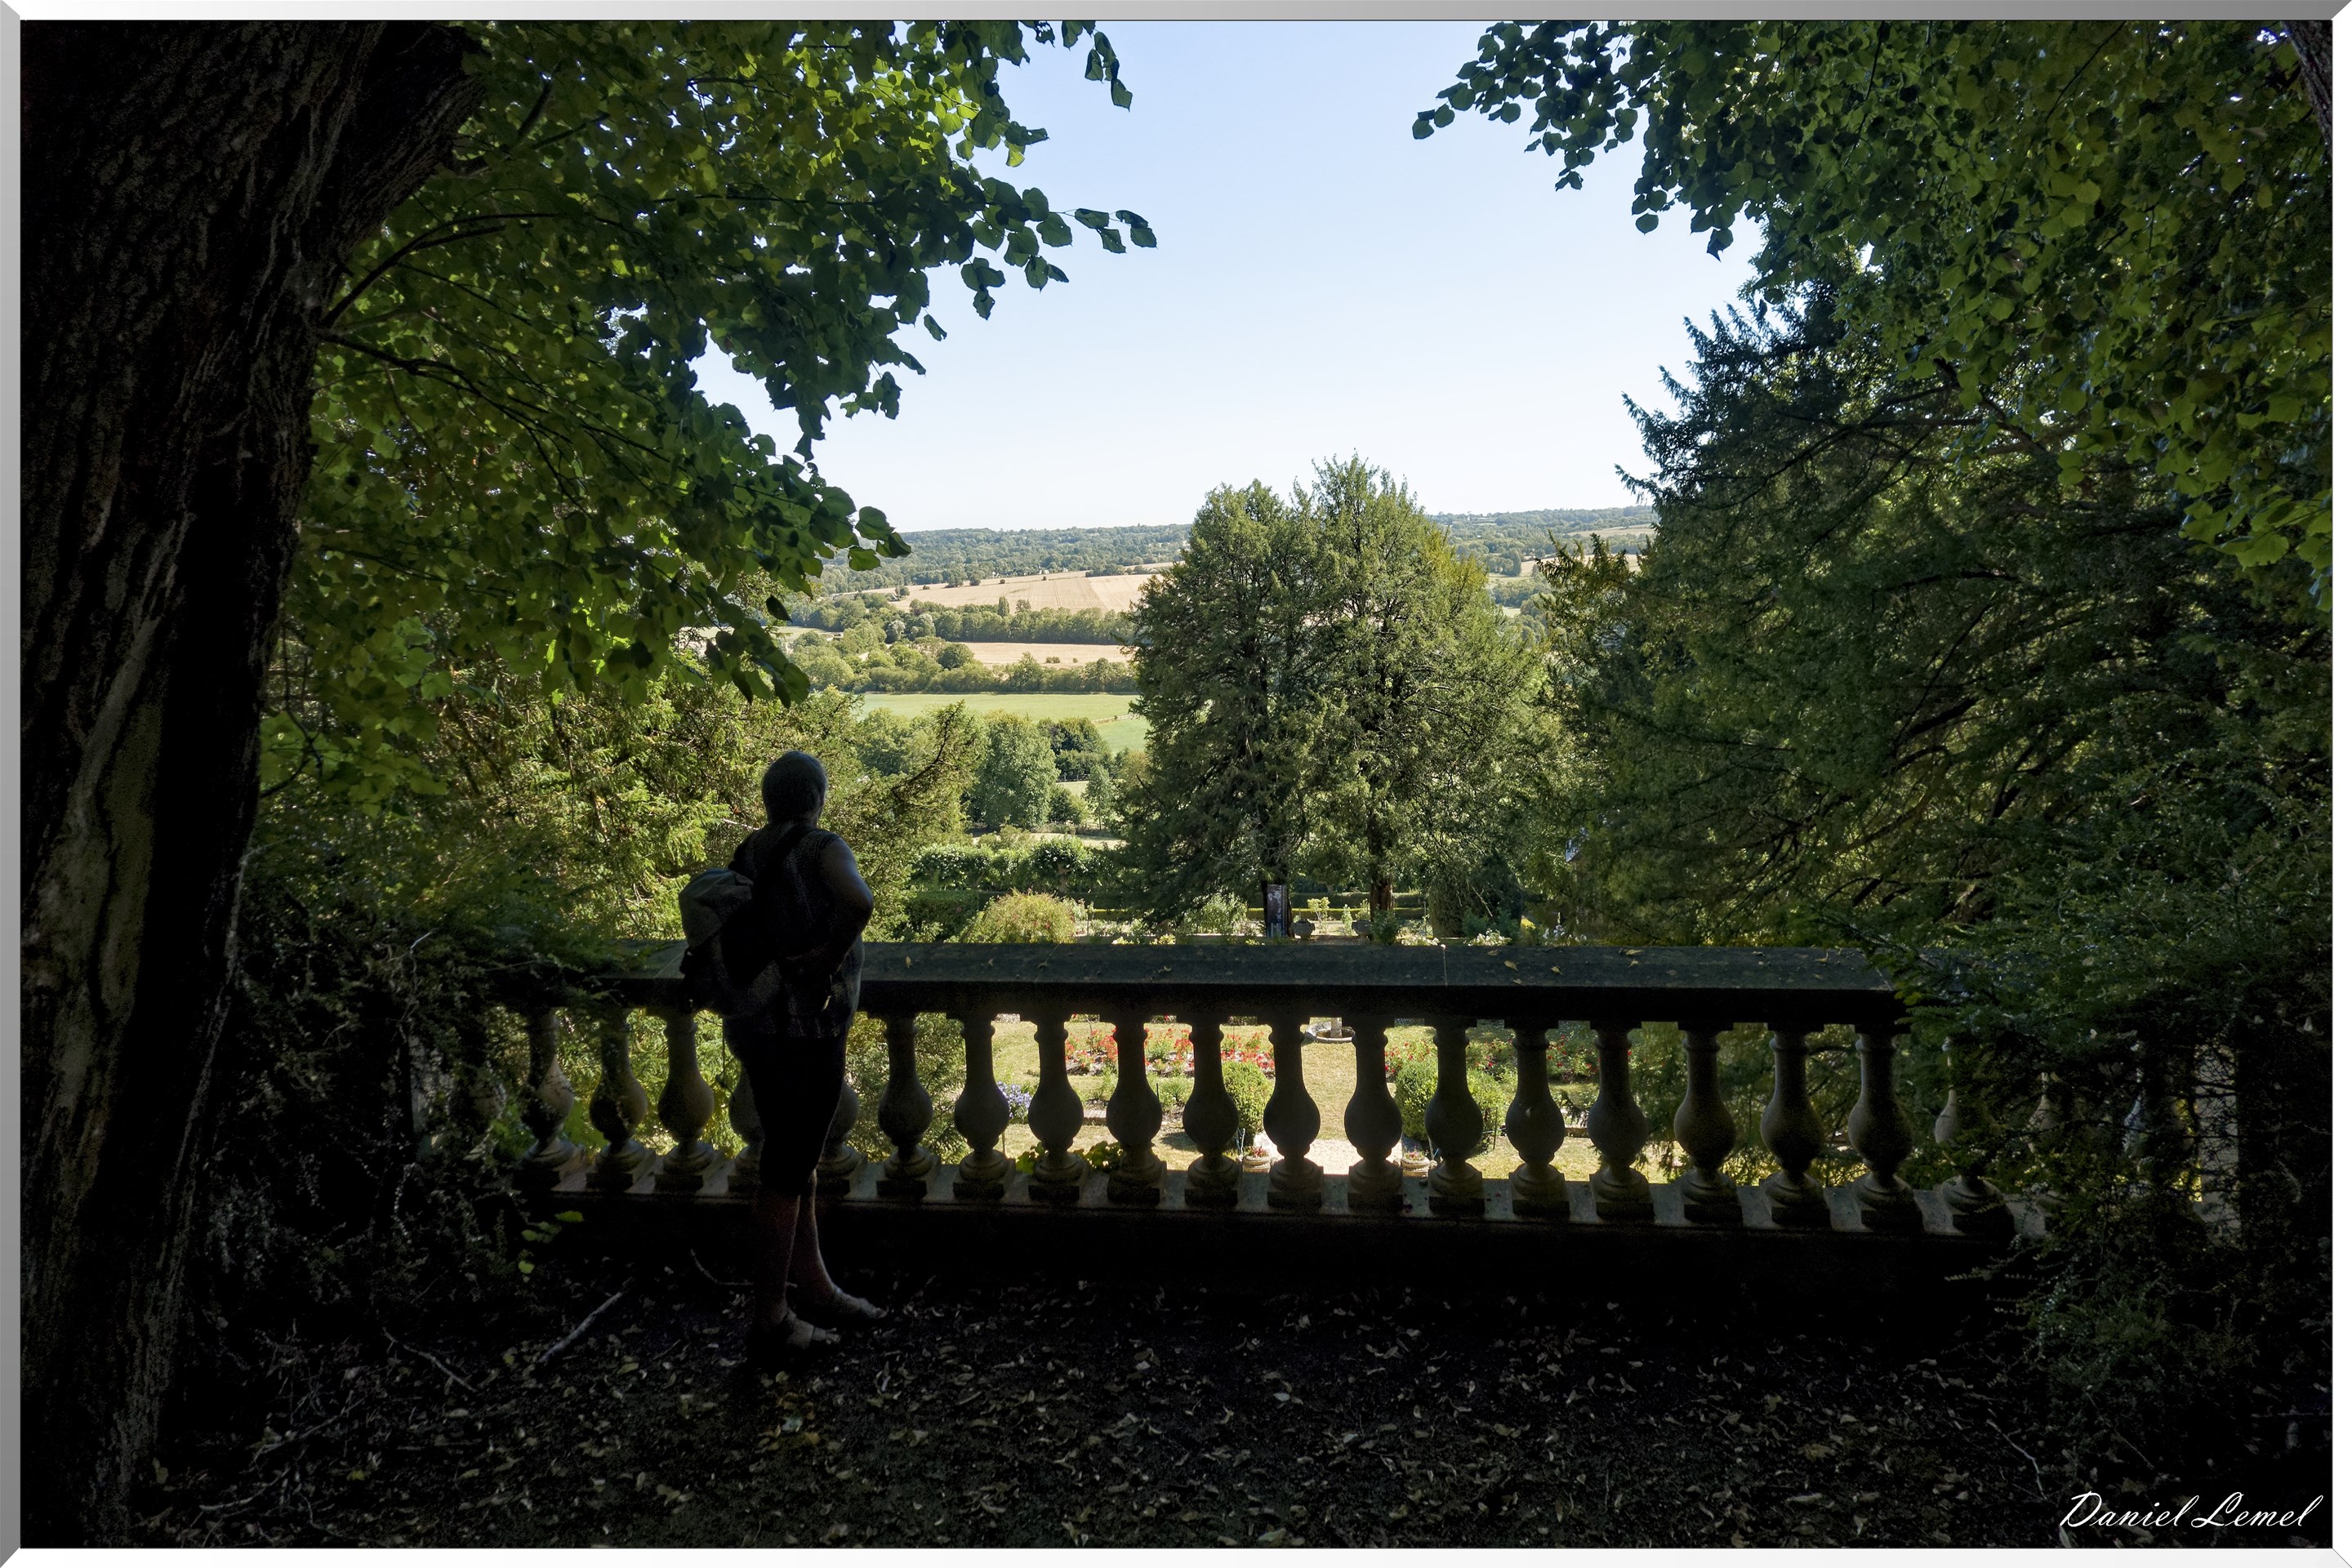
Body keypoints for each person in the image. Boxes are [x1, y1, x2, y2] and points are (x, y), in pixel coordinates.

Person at [721, 750, 884, 1363]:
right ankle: (770, 1319)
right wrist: (826, 956)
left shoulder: (749, 851)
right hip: (807, 1031)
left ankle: (815, 1289)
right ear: (817, 798)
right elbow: (859, 902)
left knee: (793, 1161)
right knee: (787, 1170)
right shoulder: (821, 847)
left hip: (756, 1026)